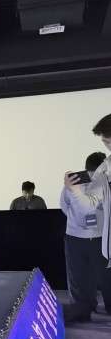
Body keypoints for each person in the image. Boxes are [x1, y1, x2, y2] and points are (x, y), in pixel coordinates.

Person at [64, 114, 111, 322]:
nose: (107, 146)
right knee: (80, 276)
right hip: (80, 236)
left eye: (108, 141)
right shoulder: (99, 171)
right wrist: (75, 192)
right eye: (105, 142)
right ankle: (83, 309)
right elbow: (73, 205)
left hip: (101, 236)